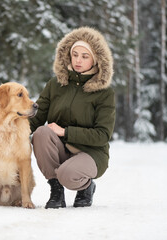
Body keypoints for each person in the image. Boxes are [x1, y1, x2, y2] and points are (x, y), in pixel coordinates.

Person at [29, 27, 115, 208]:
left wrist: (65, 131)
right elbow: (36, 119)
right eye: (75, 54)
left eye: (85, 56)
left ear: (96, 59)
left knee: (67, 174)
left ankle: (86, 187)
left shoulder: (104, 93)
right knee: (41, 133)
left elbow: (102, 135)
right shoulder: (55, 84)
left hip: (91, 153)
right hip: (61, 149)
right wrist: (8, 132)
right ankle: (56, 191)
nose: (78, 60)